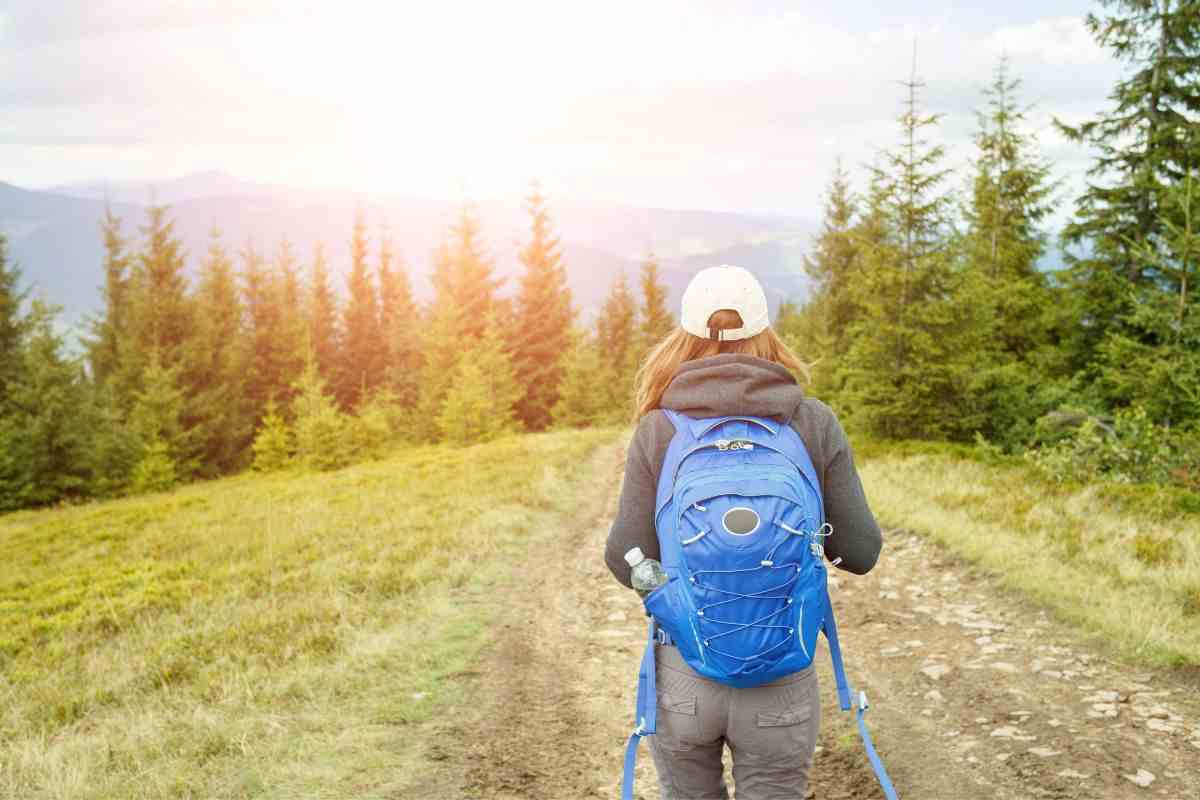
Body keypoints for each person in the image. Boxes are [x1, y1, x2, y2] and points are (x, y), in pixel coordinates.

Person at [605, 265, 882, 800]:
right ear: (765, 331)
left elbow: (623, 556)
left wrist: (680, 594)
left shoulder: (660, 428)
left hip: (684, 673)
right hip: (782, 675)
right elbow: (861, 552)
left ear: (683, 334)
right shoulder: (810, 420)